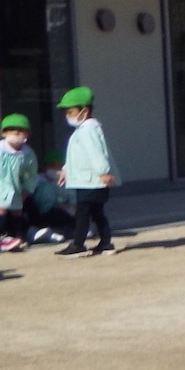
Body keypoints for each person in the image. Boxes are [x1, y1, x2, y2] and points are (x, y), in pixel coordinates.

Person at [55, 86, 117, 256]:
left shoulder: (87, 130)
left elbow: (95, 152)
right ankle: (105, 242)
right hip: (89, 180)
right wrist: (66, 170)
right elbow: (75, 156)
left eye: (70, 111)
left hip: (90, 181)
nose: (68, 116)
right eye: (66, 112)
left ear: (84, 110)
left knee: (82, 213)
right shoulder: (84, 130)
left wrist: (103, 172)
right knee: (97, 212)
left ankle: (78, 244)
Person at [0, 115, 37, 252]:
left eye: (20, 130)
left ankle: (14, 236)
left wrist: (27, 189)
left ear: (28, 133)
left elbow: (31, 173)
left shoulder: (27, 153)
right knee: (1, 208)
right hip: (0, 185)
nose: (16, 133)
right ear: (3, 133)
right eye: (11, 130)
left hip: (17, 186)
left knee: (17, 210)